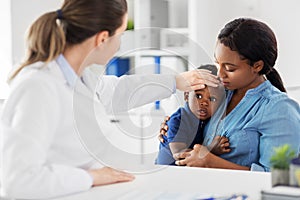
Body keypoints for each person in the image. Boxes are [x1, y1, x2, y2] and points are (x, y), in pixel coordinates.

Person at [0, 0, 220, 199]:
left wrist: (175, 81)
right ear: (102, 38)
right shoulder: (38, 86)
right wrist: (92, 177)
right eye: (121, 35)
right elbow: (19, 180)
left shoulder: (82, 77)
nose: (121, 44)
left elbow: (119, 90)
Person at [159, 18, 300, 171]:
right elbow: (192, 119)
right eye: (218, 64)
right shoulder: (219, 92)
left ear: (257, 66)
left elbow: (280, 177)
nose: (220, 74)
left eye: (229, 68)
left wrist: (211, 162)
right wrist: (174, 127)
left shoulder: (279, 109)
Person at [155, 64, 230, 165]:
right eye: (198, 96)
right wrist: (210, 150)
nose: (204, 103)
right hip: (168, 173)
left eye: (212, 99)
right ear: (186, 95)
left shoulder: (207, 121)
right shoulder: (178, 119)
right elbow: (178, 153)